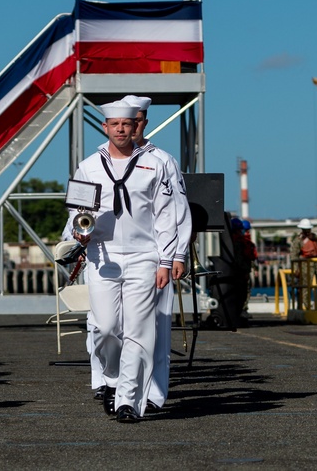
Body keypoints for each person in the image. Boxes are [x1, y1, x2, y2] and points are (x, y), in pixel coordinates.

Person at [63, 100, 177, 423]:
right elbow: (76, 211)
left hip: (144, 256)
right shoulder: (89, 166)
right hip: (103, 256)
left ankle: (128, 400)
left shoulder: (154, 165)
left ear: (135, 127)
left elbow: (166, 216)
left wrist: (167, 259)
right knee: (105, 328)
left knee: (139, 331)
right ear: (105, 128)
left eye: (126, 125)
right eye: (114, 125)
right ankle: (111, 378)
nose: (121, 130)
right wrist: (79, 231)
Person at [121, 94, 192, 414]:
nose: (130, 128)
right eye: (124, 122)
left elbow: (178, 210)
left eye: (135, 121)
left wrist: (178, 254)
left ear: (143, 123)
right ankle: (110, 383)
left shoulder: (162, 160)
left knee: (156, 327)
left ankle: (154, 391)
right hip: (115, 254)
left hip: (155, 254)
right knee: (109, 325)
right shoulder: (105, 161)